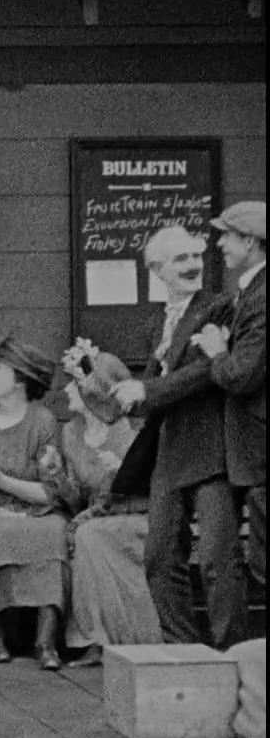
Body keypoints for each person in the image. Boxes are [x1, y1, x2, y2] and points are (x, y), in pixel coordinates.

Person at [112, 225, 245, 649]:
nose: (192, 265)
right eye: (180, 259)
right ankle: (182, 649)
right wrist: (115, 391)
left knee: (218, 560)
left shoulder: (219, 308)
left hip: (212, 452)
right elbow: (154, 390)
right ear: (157, 269)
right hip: (169, 455)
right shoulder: (161, 321)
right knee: (159, 558)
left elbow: (206, 371)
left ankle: (231, 653)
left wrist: (146, 390)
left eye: (195, 256)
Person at [0, 334, 70, 669]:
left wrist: (2, 481)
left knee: (54, 532)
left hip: (34, 511)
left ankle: (45, 642)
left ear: (19, 378)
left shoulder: (42, 421)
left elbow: (49, 492)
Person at [46, 340, 159, 666]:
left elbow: (153, 483)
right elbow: (76, 500)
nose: (67, 390)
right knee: (87, 536)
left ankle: (123, 638)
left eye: (75, 383)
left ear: (93, 392)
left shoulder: (129, 429)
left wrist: (122, 470)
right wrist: (57, 475)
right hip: (95, 514)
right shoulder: (71, 433)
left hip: (135, 511)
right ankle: (94, 639)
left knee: (89, 537)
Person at [194, 201, 266, 590]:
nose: (219, 244)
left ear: (250, 241)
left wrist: (217, 351)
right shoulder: (250, 291)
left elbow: (241, 376)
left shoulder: (261, 295)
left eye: (227, 236)